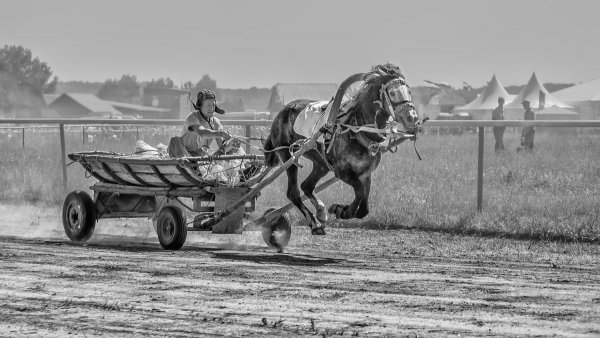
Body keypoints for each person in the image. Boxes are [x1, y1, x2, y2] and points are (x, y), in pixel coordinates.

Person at [178, 89, 232, 156]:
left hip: (201, 158)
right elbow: (202, 132)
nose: (212, 109)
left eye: (213, 105)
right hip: (184, 156)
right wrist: (221, 133)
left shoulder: (215, 122)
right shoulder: (192, 117)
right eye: (208, 105)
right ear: (200, 106)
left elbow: (222, 148)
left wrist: (231, 145)